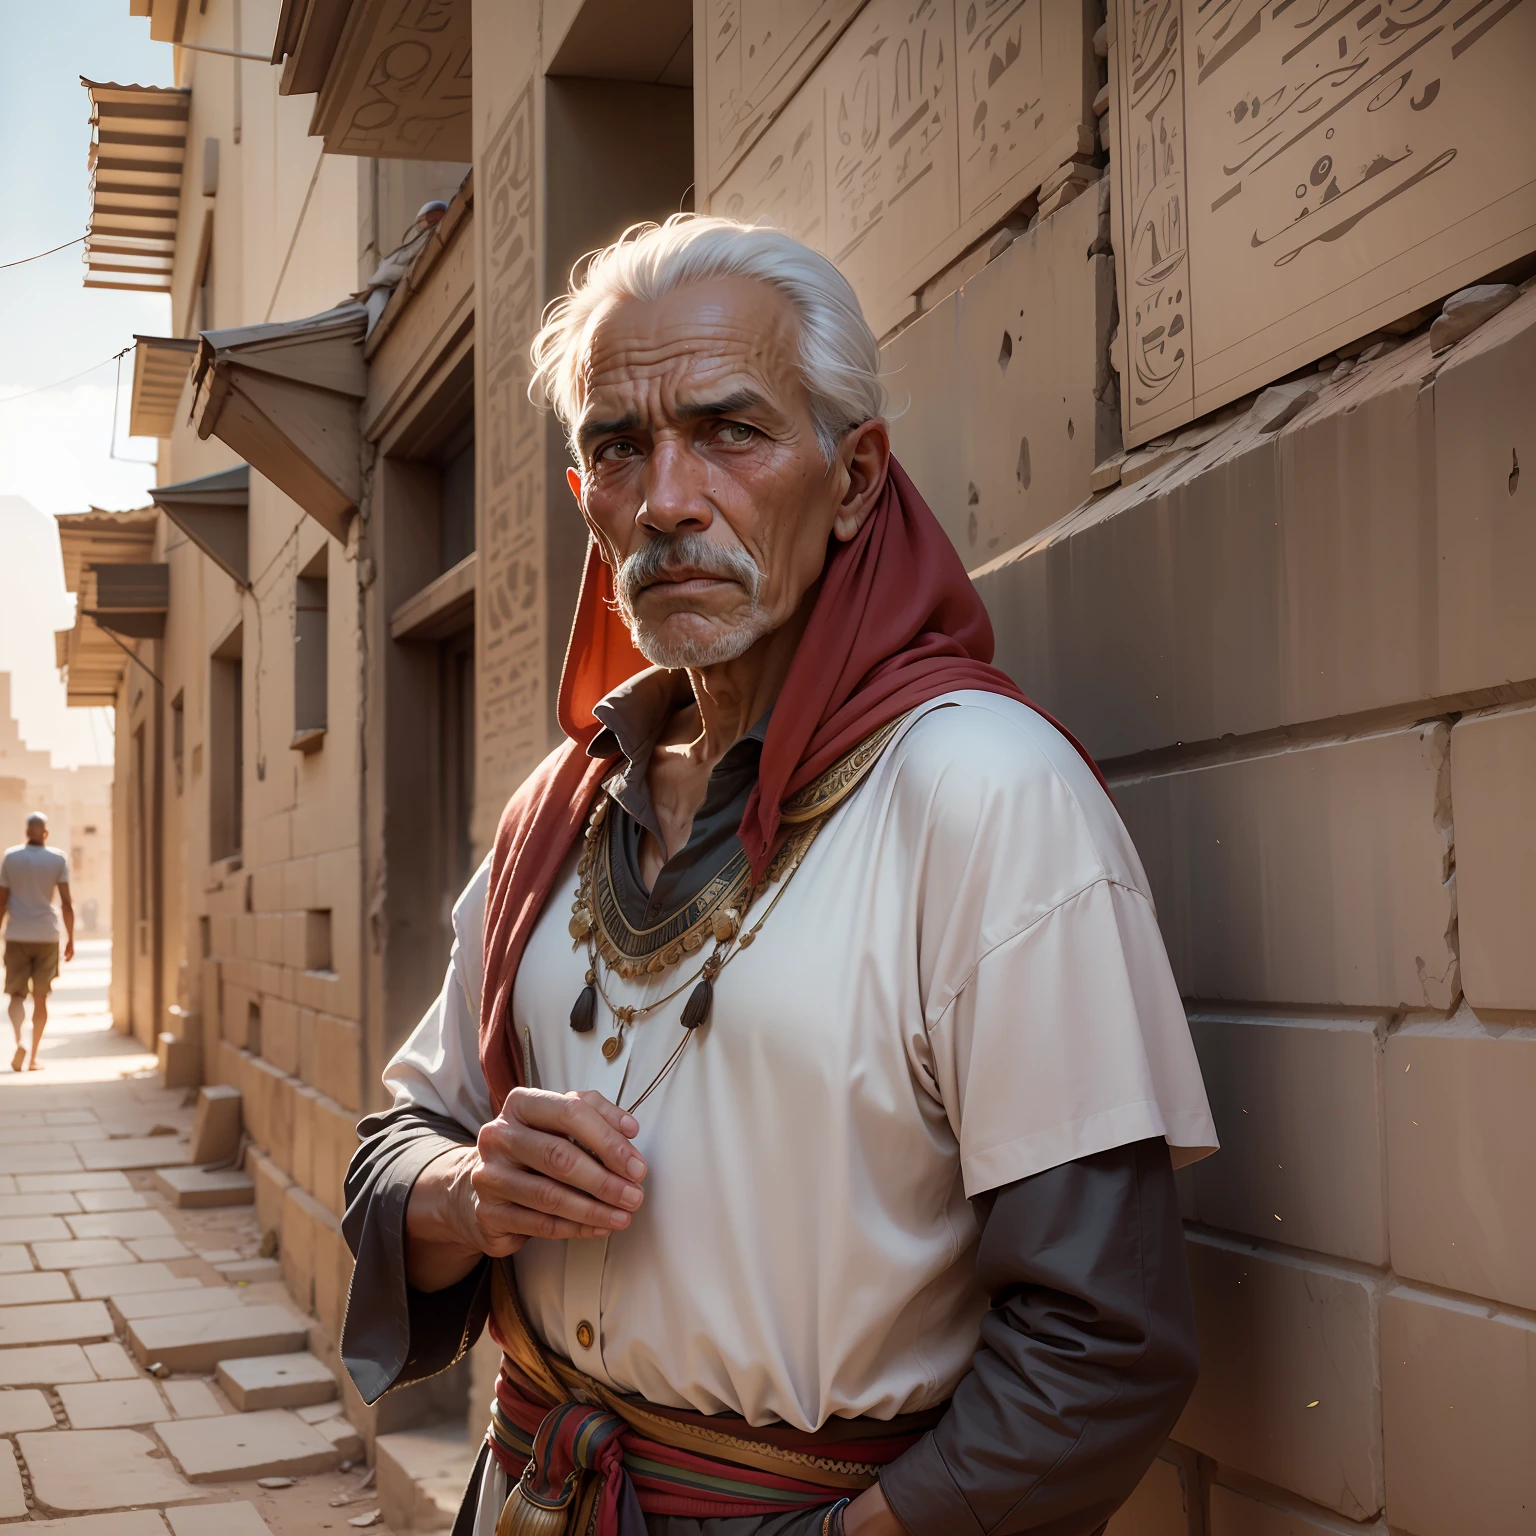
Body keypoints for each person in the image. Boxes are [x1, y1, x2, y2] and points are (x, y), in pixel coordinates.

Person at [341, 216, 1218, 1536]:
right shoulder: (556, 812)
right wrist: (471, 1194)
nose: (668, 499)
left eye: (729, 431)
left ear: (855, 477)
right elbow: (391, 1154)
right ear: (588, 502)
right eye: (618, 448)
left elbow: (1101, 1351)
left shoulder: (987, 795)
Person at [0, 813, 72, 1073]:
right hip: (46, 934)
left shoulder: (11, 858)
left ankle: (19, 1042)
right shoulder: (57, 859)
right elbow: (66, 902)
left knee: (16, 995)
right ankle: (33, 1058)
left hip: (17, 933)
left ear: (27, 831)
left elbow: (2, 901)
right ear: (46, 833)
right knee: (41, 998)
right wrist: (71, 938)